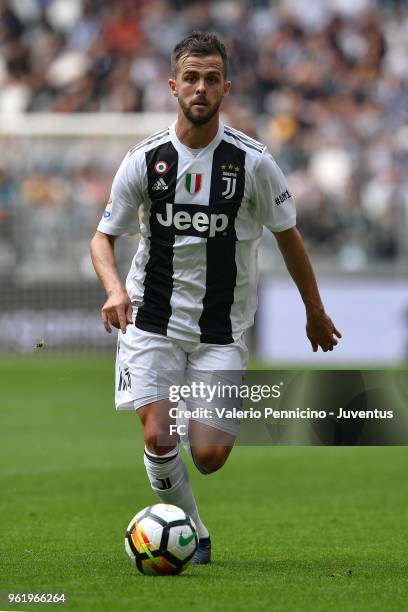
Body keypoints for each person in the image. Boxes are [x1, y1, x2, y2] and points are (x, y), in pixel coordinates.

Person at [90, 30, 341, 565]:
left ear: (226, 87)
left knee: (208, 454)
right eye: (190, 78)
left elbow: (288, 237)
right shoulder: (145, 159)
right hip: (150, 317)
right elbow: (102, 238)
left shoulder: (253, 164)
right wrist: (114, 289)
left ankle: (187, 452)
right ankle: (194, 534)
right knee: (159, 436)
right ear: (172, 86)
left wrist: (314, 311)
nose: (200, 88)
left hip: (220, 329)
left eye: (210, 78)